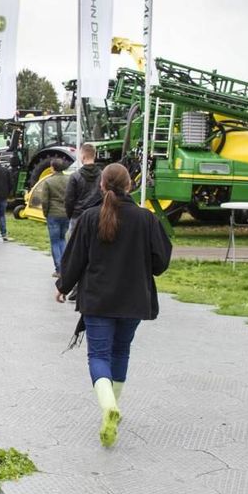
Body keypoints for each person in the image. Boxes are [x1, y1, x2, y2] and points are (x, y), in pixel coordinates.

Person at [56, 163, 172, 448]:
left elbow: (74, 258)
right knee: (121, 351)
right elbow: (160, 262)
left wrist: (62, 286)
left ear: (101, 186)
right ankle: (113, 408)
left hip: (97, 300)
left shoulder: (89, 218)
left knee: (98, 355)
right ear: (130, 185)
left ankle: (107, 406)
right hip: (134, 300)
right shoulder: (147, 219)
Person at [36, 157, 72, 276]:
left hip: (53, 214)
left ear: (53, 168)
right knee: (63, 240)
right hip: (66, 213)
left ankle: (58, 268)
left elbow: (45, 201)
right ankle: (65, 266)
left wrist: (45, 213)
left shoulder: (48, 182)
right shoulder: (69, 180)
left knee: (55, 242)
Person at [65, 143, 103, 233]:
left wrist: (71, 215)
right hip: (97, 217)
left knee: (75, 246)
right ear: (95, 155)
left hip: (78, 216)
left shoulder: (75, 176)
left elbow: (69, 200)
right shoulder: (103, 175)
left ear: (82, 156)